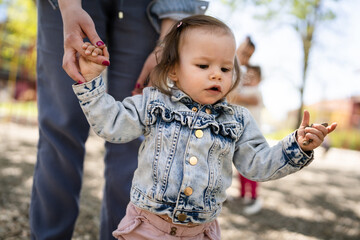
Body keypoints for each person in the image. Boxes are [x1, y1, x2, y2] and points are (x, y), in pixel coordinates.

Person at [72, 15, 337, 239]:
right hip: (146, 228)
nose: (216, 74)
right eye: (203, 65)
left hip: (200, 232)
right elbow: (112, 125)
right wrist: (91, 83)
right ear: (174, 70)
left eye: (225, 68)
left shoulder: (237, 120)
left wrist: (297, 146)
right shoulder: (154, 103)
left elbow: (257, 163)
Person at [30, 0, 208, 239]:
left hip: (149, 9)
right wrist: (69, 8)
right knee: (61, 127)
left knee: (136, 135)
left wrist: (167, 42)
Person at [228, 65, 264, 215]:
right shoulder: (243, 90)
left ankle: (254, 196)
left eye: (252, 76)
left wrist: (234, 92)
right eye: (246, 76)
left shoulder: (256, 92)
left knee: (252, 167)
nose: (248, 79)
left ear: (259, 79)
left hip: (252, 136)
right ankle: (242, 194)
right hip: (241, 135)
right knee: (241, 167)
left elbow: (247, 99)